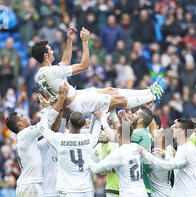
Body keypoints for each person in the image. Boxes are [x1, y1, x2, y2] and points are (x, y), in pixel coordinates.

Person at [32, 27, 166, 128]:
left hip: (78, 97)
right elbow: (84, 66)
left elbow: (65, 63)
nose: (52, 50)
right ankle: (153, 96)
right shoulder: (51, 72)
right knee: (116, 99)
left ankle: (149, 91)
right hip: (78, 103)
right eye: (50, 49)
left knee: (110, 90)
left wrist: (69, 40)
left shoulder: (42, 74)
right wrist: (85, 42)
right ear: (45, 55)